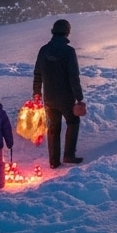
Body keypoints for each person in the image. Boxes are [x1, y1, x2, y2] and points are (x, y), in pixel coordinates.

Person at [33, 19, 86, 168]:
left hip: (49, 98)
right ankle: (69, 155)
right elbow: (73, 77)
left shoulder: (43, 50)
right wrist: (79, 97)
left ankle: (54, 161)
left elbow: (37, 74)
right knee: (73, 121)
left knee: (54, 127)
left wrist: (36, 92)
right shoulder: (69, 52)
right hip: (66, 97)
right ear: (67, 31)